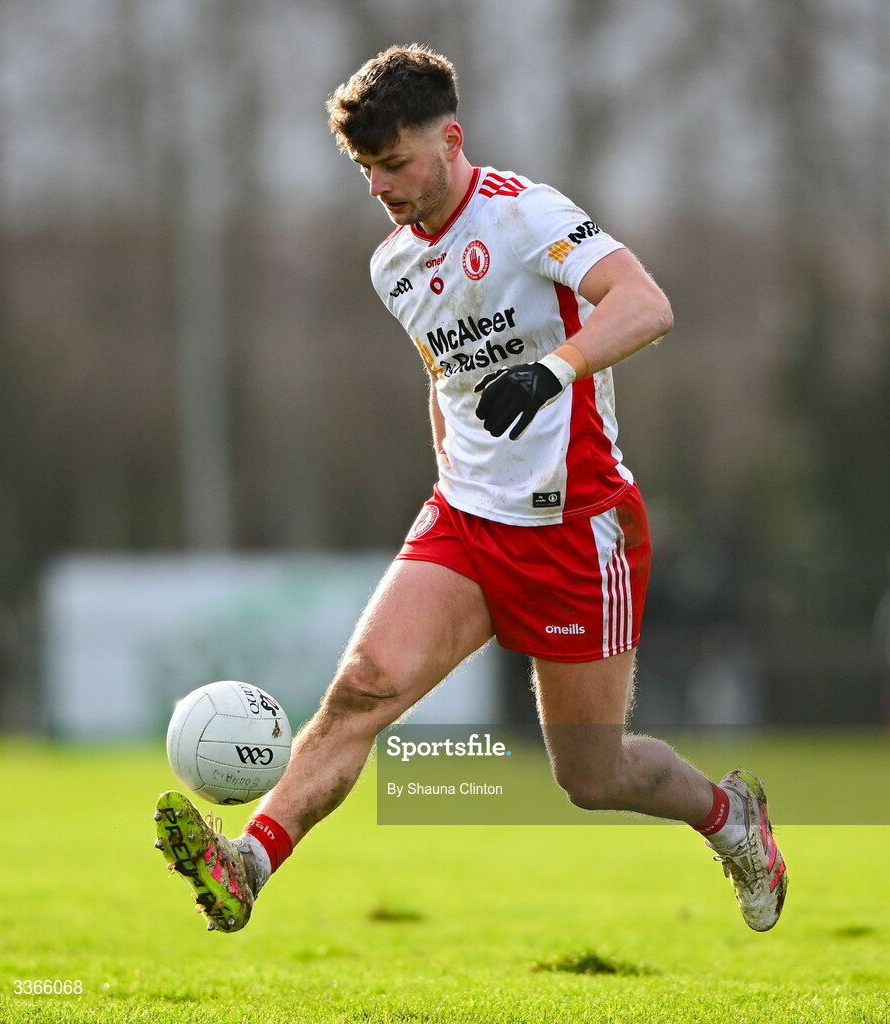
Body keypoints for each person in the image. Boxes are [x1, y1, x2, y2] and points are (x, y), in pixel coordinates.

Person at [153, 43, 787, 934]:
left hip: (577, 527)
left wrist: (550, 372)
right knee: (361, 688)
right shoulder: (391, 267)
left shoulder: (527, 216)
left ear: (450, 139)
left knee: (590, 776)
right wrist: (456, 478)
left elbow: (646, 304)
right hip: (464, 518)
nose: (381, 187)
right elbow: (445, 381)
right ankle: (248, 863)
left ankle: (730, 821)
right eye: (367, 171)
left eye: (396, 163)